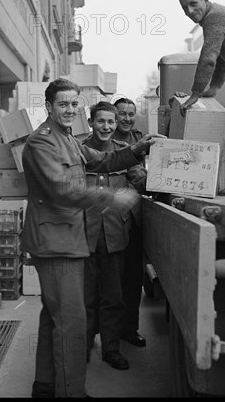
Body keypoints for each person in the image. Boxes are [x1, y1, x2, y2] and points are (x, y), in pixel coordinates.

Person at [20, 78, 162, 398]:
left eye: (74, 104)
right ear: (49, 107)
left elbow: (100, 160)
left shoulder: (67, 138)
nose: (70, 110)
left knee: (52, 317)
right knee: (71, 322)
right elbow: (62, 189)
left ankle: (44, 385)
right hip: (56, 243)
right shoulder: (41, 142)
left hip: (67, 240)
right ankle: (71, 391)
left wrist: (137, 149)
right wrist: (112, 198)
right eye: (63, 104)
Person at [82, 101, 145, 371]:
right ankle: (83, 346)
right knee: (85, 298)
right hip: (83, 236)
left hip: (115, 235)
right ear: (91, 123)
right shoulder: (78, 150)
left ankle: (111, 349)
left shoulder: (124, 152)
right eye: (101, 121)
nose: (106, 127)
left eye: (110, 122)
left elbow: (140, 183)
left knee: (113, 298)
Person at [112, 98, 148, 348]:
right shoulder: (105, 138)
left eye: (131, 113)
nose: (126, 118)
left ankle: (129, 328)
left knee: (134, 276)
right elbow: (136, 174)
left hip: (134, 216)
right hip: (111, 218)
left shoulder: (140, 137)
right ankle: (106, 331)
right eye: (121, 114)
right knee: (111, 278)